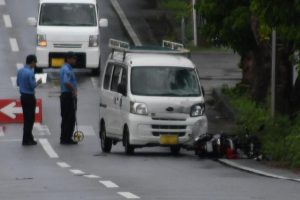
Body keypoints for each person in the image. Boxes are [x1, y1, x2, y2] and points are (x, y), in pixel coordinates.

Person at [17, 55, 42, 146]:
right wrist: (39, 81)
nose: (35, 64)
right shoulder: (30, 73)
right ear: (31, 62)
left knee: (26, 118)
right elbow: (33, 86)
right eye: (35, 62)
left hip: (23, 96)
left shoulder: (20, 71)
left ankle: (29, 138)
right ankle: (26, 139)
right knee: (30, 119)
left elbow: (17, 83)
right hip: (30, 97)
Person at [60, 52, 78, 145]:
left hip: (66, 96)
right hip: (68, 96)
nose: (75, 60)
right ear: (68, 59)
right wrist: (73, 90)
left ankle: (64, 137)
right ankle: (66, 138)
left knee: (66, 117)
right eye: (73, 59)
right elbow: (66, 82)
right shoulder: (67, 70)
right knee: (69, 117)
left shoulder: (65, 68)